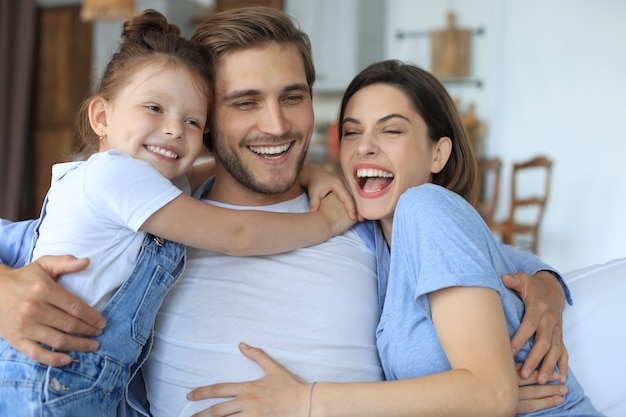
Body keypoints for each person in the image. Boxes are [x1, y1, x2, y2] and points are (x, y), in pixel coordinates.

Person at [0, 7, 570, 416]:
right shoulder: (150, 228)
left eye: (292, 97)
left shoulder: (357, 214)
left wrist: (543, 283)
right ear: (206, 122)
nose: (275, 125)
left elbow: (474, 255)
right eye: (245, 102)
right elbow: (36, 241)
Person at [187, 60, 602, 417]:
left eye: (392, 131)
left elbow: (491, 394)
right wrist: (546, 279)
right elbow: (505, 259)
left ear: (438, 154)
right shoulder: (375, 236)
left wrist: (306, 402)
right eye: (352, 132)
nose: (365, 147)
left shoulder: (425, 208)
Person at [0, 9, 356, 416]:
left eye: (190, 120)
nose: (173, 130)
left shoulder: (165, 186)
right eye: (153, 108)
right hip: (49, 382)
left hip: (95, 390)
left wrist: (308, 171)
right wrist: (325, 222)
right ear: (101, 116)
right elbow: (239, 234)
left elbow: (209, 168)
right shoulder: (113, 176)